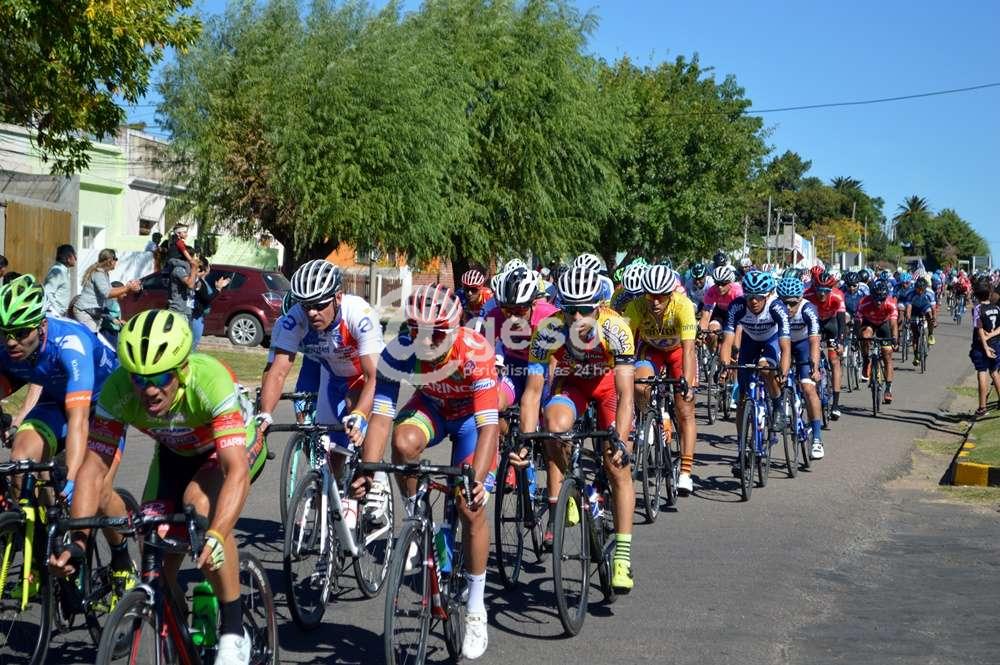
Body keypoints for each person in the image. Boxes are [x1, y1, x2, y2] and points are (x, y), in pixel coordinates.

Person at [50, 310, 267, 665]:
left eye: (161, 377)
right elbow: (93, 469)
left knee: (198, 506)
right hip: (175, 452)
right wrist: (79, 542)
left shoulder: (209, 380)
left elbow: (235, 472)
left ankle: (233, 631)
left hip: (231, 448)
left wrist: (217, 533)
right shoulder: (118, 391)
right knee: (156, 556)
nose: (149, 389)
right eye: (139, 378)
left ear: (182, 368)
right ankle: (182, 637)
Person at [365, 284, 499, 659]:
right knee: (403, 443)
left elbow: (489, 426)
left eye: (436, 334)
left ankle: (476, 607)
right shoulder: (399, 351)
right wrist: (368, 470)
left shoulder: (475, 351)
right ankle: (415, 516)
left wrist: (476, 480)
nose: (425, 341)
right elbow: (381, 415)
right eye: (416, 330)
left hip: (471, 420)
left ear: (454, 330)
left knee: (470, 506)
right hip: (433, 409)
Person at [0, 276, 133, 592]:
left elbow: (78, 420)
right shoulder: (8, 348)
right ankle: (39, 556)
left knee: (95, 488)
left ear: (41, 326)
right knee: (21, 461)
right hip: (55, 399)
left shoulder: (70, 343)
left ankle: (122, 562)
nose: (11, 342)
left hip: (103, 403)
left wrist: (73, 478)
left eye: (21, 333)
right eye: (5, 333)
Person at [521, 265, 637, 593]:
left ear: (598, 306)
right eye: (569, 309)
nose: (576, 317)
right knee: (553, 426)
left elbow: (627, 395)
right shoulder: (549, 329)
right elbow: (532, 392)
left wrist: (621, 441)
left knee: (617, 465)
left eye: (584, 309)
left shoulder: (616, 328)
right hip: (573, 385)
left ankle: (622, 557)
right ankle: (571, 486)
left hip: (608, 389)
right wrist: (525, 442)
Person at [258, 260, 384, 461]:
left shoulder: (359, 314)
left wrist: (360, 414)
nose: (311, 312)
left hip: (366, 377)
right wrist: (265, 413)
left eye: (319, 305)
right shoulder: (294, 318)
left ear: (338, 297)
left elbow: (373, 376)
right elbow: (278, 371)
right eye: (306, 305)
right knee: (333, 456)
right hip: (334, 376)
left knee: (363, 444)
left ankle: (374, 474)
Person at [625, 265, 699, 493]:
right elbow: (625, 346)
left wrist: (687, 384)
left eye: (661, 297)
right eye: (650, 296)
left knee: (685, 408)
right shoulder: (636, 307)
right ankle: (650, 416)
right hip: (651, 350)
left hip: (678, 352)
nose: (655, 302)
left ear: (671, 294)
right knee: (640, 384)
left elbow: (689, 350)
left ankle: (685, 472)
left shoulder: (683, 306)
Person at [720, 270, 792, 469]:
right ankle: (742, 449)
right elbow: (727, 341)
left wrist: (783, 372)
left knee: (765, 369)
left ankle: (777, 406)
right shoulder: (737, 306)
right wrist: (725, 366)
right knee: (743, 398)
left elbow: (786, 346)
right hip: (750, 341)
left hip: (771, 340)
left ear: (767, 295)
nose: (753, 301)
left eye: (758, 297)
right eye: (750, 296)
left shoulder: (777, 307)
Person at [777, 276, 825, 459]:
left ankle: (817, 438)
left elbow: (814, 341)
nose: (788, 308)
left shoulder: (808, 309)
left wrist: (815, 368)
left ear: (800, 299)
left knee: (808, 387)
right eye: (784, 303)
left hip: (804, 345)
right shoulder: (776, 308)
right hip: (783, 344)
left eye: (792, 303)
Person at [805, 271, 846, 419]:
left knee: (834, 360)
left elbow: (841, 322)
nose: (822, 294)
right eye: (819, 290)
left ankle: (835, 404)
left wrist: (841, 341)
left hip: (831, 324)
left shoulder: (838, 296)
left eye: (826, 291)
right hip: (815, 323)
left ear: (831, 289)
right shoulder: (807, 295)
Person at [72, 249, 140, 333]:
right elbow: (107, 293)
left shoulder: (104, 273)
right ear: (110, 261)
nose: (116, 261)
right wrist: (127, 287)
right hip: (85, 311)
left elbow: (111, 290)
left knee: (93, 337)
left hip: (90, 311)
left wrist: (128, 287)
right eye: (115, 259)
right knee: (91, 337)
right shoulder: (98, 273)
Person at [857, 280, 898, 403]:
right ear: (871, 297)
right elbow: (858, 321)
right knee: (865, 336)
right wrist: (857, 337)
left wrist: (895, 339)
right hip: (869, 323)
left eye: (881, 300)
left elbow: (893, 324)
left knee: (887, 356)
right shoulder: (864, 302)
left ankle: (888, 388)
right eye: (876, 300)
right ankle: (866, 360)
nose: (879, 302)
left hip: (883, 324)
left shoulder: (891, 303)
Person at [970, 279, 1000, 416]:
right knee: (995, 372)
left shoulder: (977, 309)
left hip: (981, 346)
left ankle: (982, 407)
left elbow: (979, 329)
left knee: (982, 372)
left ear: (976, 295)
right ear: (990, 293)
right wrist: (992, 335)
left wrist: (985, 345)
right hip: (996, 343)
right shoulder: (997, 308)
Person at [190, 257, 232, 349]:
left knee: (194, 342)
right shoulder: (198, 282)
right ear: (205, 269)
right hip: (195, 317)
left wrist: (217, 288)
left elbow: (206, 295)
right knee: (192, 343)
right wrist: (218, 289)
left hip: (198, 316)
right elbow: (206, 298)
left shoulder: (202, 281)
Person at [43, 244, 77, 316]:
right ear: (69, 258)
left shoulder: (63, 271)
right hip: (54, 313)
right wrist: (57, 310)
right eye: (74, 255)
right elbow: (47, 291)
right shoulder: (57, 272)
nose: (76, 258)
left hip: (59, 313)